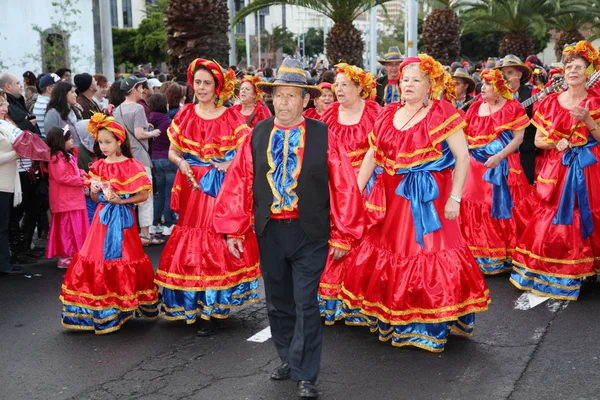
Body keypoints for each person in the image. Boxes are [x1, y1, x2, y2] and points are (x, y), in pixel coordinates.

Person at [213, 58, 364, 399]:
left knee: (305, 302)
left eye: (291, 96)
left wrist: (344, 233)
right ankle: (289, 359)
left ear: (305, 100)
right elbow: (240, 182)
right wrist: (234, 230)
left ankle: (307, 373)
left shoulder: (324, 135)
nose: (283, 102)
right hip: (270, 233)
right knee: (278, 304)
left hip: (309, 233)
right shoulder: (257, 134)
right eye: (278, 95)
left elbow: (345, 186)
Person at [340, 55, 490, 352]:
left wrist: (455, 198)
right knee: (388, 250)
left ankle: (427, 323)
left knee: (429, 252)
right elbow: (372, 154)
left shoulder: (442, 113)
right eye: (405, 79)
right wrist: (355, 191)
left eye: (416, 80)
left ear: (430, 84)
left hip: (431, 199)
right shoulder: (387, 115)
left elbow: (462, 157)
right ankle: (393, 317)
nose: (408, 84)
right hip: (391, 198)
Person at [154, 58, 261, 335]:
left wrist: (228, 165)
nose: (201, 87)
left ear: (217, 87)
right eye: (198, 82)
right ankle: (194, 303)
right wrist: (182, 163)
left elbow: (246, 151)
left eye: (207, 83)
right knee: (191, 239)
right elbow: (172, 151)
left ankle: (211, 309)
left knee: (215, 238)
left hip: (219, 189)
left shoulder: (230, 117)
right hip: (192, 186)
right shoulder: (186, 114)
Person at [511, 41, 600, 300]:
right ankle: (557, 267)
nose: (572, 71)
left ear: (588, 71)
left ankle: (588, 265)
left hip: (589, 166)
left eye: (579, 67)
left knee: (587, 213)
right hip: (557, 168)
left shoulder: (596, 101)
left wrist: (588, 120)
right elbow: (538, 140)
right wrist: (556, 142)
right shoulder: (550, 102)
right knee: (555, 217)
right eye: (569, 66)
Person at [59, 113, 159, 333]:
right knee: (97, 259)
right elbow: (96, 199)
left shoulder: (132, 165)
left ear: (119, 142)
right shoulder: (99, 166)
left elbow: (143, 195)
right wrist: (95, 192)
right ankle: (104, 308)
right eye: (100, 142)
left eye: (107, 142)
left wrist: (123, 200)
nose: (103, 146)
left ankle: (122, 305)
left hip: (123, 221)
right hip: (102, 221)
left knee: (125, 258)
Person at [317, 63, 381, 323]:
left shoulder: (375, 113)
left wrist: (359, 182)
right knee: (334, 242)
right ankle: (334, 301)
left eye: (345, 84)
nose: (338, 89)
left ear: (359, 88)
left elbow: (381, 149)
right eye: (337, 84)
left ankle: (360, 302)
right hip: (335, 188)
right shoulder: (329, 116)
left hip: (367, 185)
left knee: (365, 243)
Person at [460, 69, 532, 275]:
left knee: (509, 206)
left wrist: (499, 156)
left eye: (487, 84)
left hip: (506, 165)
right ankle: (483, 254)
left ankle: (511, 253)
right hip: (476, 168)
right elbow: (466, 137)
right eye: (482, 84)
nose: (482, 88)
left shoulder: (513, 107)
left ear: (498, 88)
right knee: (475, 206)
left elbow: (518, 139)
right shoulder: (474, 108)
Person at [113, 76, 163, 246]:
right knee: (145, 196)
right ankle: (144, 234)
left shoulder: (117, 110)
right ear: (133, 89)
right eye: (141, 87)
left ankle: (128, 232)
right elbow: (140, 134)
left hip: (125, 158)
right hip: (140, 158)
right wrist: (153, 133)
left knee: (127, 196)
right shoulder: (138, 109)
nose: (143, 90)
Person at [45, 126, 89, 268]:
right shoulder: (56, 158)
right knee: (67, 229)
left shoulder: (64, 155)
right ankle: (65, 256)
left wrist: (81, 173)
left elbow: (72, 171)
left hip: (72, 198)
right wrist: (82, 180)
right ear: (60, 141)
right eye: (69, 139)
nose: (71, 141)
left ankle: (74, 254)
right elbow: (62, 177)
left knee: (73, 227)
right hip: (65, 200)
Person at [494, 55, 536, 184]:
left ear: (519, 74)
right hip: (500, 152)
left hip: (525, 150)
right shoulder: (496, 94)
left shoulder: (532, 92)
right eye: (503, 73)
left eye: (509, 72)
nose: (505, 76)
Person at [0, 91, 23, 276]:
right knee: (2, 226)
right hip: (1, 184)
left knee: (5, 225)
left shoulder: (5, 124)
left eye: (5, 104)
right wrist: (16, 153)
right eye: (1, 104)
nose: (5, 108)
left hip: (8, 183)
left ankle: (5, 262)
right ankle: (4, 265)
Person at [147, 93, 177, 236]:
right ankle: (168, 224)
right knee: (168, 193)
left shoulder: (148, 121)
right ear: (164, 105)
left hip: (154, 159)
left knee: (158, 193)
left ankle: (154, 223)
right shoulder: (169, 122)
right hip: (168, 159)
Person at [45, 81, 82, 147]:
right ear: (64, 94)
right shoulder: (52, 114)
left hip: (79, 151)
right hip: (64, 154)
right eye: (72, 92)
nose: (76, 95)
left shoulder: (75, 110)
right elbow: (52, 139)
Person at [33, 73, 61, 137]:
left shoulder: (40, 101)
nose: (62, 89)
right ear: (49, 89)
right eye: (59, 86)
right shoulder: (49, 106)